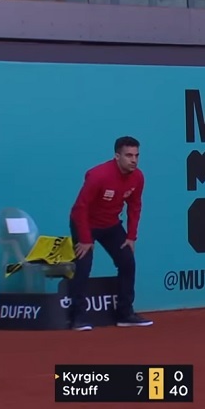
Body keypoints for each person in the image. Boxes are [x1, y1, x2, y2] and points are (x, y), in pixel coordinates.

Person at [68, 136, 153, 331]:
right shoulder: (98, 175)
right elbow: (80, 208)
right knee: (84, 265)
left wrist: (131, 236)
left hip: (111, 224)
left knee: (127, 262)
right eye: (129, 155)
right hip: (84, 223)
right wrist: (85, 239)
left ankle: (125, 314)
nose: (134, 160)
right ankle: (77, 317)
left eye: (136, 155)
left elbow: (135, 206)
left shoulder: (138, 177)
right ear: (117, 156)